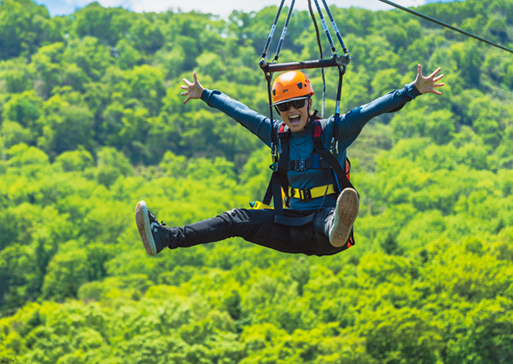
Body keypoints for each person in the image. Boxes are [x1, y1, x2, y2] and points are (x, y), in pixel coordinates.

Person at [135, 65, 445, 257]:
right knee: (237, 219)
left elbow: (371, 109)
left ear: (310, 103)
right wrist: (205, 94)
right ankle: (166, 238)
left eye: (298, 103)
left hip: (322, 228)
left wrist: (412, 90)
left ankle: (340, 225)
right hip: (287, 225)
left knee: (327, 220)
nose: (292, 111)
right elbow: (240, 112)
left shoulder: (333, 130)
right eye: (284, 107)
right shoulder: (278, 134)